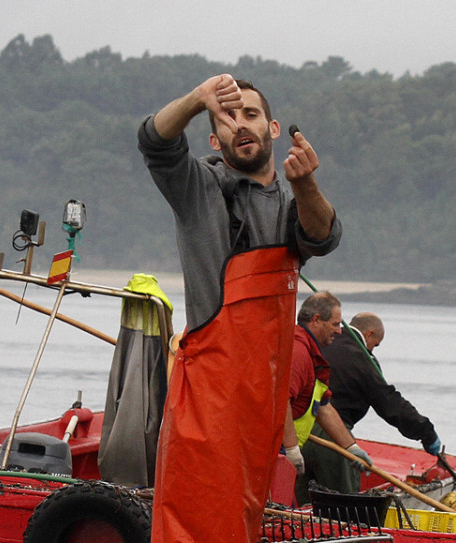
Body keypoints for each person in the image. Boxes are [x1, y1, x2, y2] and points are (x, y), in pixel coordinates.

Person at [138, 74, 342, 542]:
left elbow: (323, 237)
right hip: (208, 403)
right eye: (227, 118)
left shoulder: (293, 203)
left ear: (272, 128)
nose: (240, 124)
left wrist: (307, 183)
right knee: (193, 522)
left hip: (263, 410)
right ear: (214, 137)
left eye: (250, 114)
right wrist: (196, 98)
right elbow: (154, 140)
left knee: (243, 525)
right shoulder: (197, 189)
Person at [299, 312, 442, 495]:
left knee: (303, 509)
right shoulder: (362, 359)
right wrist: (426, 432)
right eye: (375, 345)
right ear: (369, 334)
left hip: (299, 434)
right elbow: (389, 403)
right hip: (333, 436)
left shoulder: (319, 343)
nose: (373, 350)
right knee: (344, 508)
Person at [284, 292, 373, 505]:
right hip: (274, 450)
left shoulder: (313, 354)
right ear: (316, 320)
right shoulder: (298, 351)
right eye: (334, 324)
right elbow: (281, 402)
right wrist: (291, 449)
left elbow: (323, 407)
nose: (339, 330)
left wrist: (350, 448)